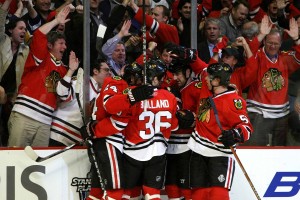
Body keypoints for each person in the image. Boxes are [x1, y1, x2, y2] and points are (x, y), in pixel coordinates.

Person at [7, 6, 79, 147]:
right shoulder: (40, 57)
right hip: (24, 116)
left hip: (45, 123)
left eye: (65, 44)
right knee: (15, 159)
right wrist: (56, 21)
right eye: (61, 43)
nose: (64, 47)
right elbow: (39, 34)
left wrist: (70, 71)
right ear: (50, 45)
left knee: (38, 165)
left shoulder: (64, 70)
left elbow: (65, 97)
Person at [86, 62, 154, 200]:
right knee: (115, 191)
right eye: (138, 78)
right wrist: (131, 97)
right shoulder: (116, 82)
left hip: (107, 141)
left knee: (96, 193)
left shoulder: (128, 87)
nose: (140, 81)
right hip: (109, 141)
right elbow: (109, 105)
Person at [187, 62, 253, 200]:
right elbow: (202, 69)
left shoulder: (233, 101)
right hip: (198, 150)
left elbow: (247, 127)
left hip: (220, 154)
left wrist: (235, 134)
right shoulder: (207, 87)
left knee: (218, 195)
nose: (205, 78)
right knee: (198, 194)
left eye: (209, 77)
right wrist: (193, 58)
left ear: (216, 80)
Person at [122, 59, 179, 199]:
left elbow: (119, 117)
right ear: (160, 78)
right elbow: (175, 126)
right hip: (157, 152)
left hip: (131, 151)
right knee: (153, 194)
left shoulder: (132, 94)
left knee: (128, 193)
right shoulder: (170, 97)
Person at [244, 18, 300, 146]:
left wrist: (296, 39)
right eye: (269, 42)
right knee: (255, 150)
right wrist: (261, 34)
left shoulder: (285, 58)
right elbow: (249, 50)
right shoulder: (257, 56)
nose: (273, 46)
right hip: (258, 112)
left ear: (281, 44)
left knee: (279, 152)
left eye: (276, 43)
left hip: (281, 114)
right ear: (264, 42)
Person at [49, 59, 112, 146]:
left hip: (76, 141)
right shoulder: (81, 82)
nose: (109, 73)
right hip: (58, 134)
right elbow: (61, 92)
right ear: (95, 71)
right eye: (106, 70)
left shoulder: (103, 93)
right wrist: (71, 71)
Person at [165, 63, 201, 199]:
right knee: (170, 185)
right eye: (173, 74)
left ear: (187, 72)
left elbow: (205, 114)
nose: (175, 78)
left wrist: (194, 119)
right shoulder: (171, 90)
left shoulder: (197, 88)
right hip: (169, 144)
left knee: (186, 187)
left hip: (188, 146)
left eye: (178, 74)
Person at [0, 0, 29, 146]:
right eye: (20, 28)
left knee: (10, 134)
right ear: (11, 30)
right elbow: (1, 17)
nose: (24, 31)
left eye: (25, 29)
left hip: (13, 99)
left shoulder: (26, 50)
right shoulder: (2, 41)